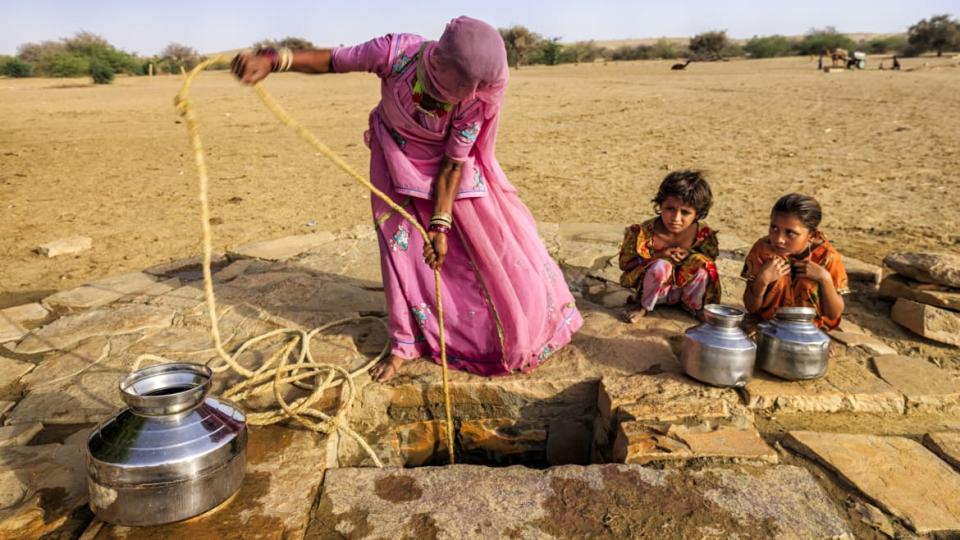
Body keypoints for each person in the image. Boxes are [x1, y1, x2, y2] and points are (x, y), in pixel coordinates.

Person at [231, 17, 582, 382]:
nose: (455, 95)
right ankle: (406, 342)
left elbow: (452, 163)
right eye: (451, 86)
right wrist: (273, 60)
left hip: (451, 177)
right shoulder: (397, 54)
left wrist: (440, 226)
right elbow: (334, 60)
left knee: (486, 252)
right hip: (394, 165)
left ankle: (496, 336)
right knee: (401, 252)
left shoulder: (474, 101)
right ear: (438, 62)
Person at [618, 171, 720, 323]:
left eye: (685, 212)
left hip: (686, 294)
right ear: (660, 205)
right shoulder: (643, 233)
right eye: (670, 209)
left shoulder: (703, 235)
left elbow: (709, 262)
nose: (676, 218)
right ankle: (644, 306)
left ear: (697, 214)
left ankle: (697, 307)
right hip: (657, 293)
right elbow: (625, 264)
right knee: (661, 267)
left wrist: (690, 256)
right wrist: (658, 256)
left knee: (703, 265)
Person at [741, 193, 848, 329]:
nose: (779, 239)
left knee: (809, 280)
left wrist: (824, 279)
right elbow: (751, 307)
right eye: (774, 228)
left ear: (811, 235)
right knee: (771, 272)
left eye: (790, 233)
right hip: (768, 324)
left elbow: (834, 314)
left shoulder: (827, 257)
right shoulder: (763, 249)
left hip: (810, 330)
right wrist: (762, 281)